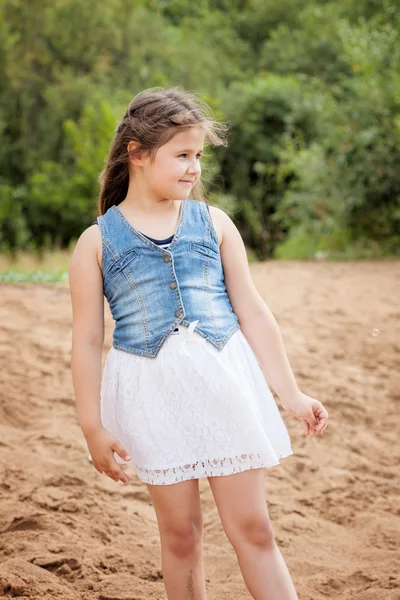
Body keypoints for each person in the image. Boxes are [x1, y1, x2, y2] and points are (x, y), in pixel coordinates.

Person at [69, 86, 328, 600]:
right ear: (137, 154)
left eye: (198, 156)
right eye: (182, 155)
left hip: (225, 390)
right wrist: (91, 426)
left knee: (254, 528)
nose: (194, 168)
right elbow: (86, 340)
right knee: (182, 536)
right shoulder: (96, 241)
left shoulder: (215, 224)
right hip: (152, 398)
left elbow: (253, 312)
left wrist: (291, 395)